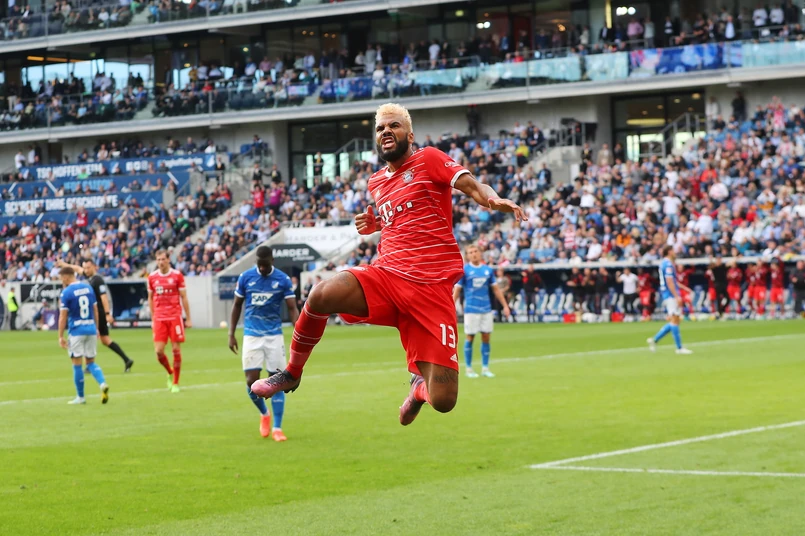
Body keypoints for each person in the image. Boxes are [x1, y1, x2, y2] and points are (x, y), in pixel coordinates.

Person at [250, 102, 525, 426]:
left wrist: (492, 199)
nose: (386, 131)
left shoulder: (429, 159)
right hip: (388, 276)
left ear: (410, 134)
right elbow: (405, 216)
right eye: (380, 128)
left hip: (431, 289)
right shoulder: (377, 182)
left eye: (394, 125)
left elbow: (472, 185)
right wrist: (377, 223)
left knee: (444, 400)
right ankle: (292, 372)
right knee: (322, 293)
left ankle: (418, 389)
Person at [228, 246, 300, 441]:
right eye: (259, 265)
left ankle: (277, 428)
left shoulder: (282, 279)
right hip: (251, 335)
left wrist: (299, 332)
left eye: (265, 265)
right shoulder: (246, 277)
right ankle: (264, 414)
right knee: (251, 382)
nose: (262, 268)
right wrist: (231, 334)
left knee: (276, 381)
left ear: (272, 262)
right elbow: (236, 305)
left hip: (274, 336)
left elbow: (292, 308)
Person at [58, 259, 134, 372]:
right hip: (92, 313)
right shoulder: (88, 277)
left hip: (98, 312)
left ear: (94, 267)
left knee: (99, 338)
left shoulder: (97, 280)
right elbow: (77, 268)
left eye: (88, 267)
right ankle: (125, 360)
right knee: (103, 339)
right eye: (85, 268)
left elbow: (104, 297)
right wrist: (64, 265)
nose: (86, 270)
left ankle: (91, 364)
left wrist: (107, 314)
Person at [453, 245, 511, 379]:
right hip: (471, 310)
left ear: (480, 253)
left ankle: (485, 368)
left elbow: (496, 290)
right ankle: (469, 368)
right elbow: (457, 290)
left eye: (475, 251)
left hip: (486, 309)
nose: (473, 254)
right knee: (470, 337)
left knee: (486, 337)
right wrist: (450, 306)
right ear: (467, 256)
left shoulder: (488, 270)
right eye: (470, 252)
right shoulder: (464, 271)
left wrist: (505, 306)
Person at [58, 266, 109, 405]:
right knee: (91, 362)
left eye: (62, 278)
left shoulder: (66, 292)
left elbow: (63, 316)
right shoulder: (88, 288)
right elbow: (95, 309)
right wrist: (96, 328)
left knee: (77, 364)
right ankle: (102, 383)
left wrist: (60, 336)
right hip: (91, 328)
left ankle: (80, 397)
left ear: (67, 276)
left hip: (76, 331)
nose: (61, 281)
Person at [147, 250, 192, 393]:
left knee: (176, 350)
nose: (160, 262)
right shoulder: (152, 277)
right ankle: (170, 371)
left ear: (168, 260)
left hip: (174, 317)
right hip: (159, 318)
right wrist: (153, 317)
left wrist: (188, 318)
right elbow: (150, 298)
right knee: (159, 351)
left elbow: (184, 297)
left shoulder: (177, 275)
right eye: (158, 260)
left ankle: (176, 383)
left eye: (163, 259)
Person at [647, 246, 692, 354]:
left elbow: (673, 281)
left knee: (675, 320)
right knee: (675, 320)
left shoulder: (664, 263)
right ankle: (679, 348)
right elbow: (669, 281)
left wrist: (684, 288)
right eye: (673, 251)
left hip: (668, 293)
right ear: (669, 252)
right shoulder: (668, 264)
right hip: (670, 294)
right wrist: (676, 296)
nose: (675, 253)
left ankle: (655, 339)